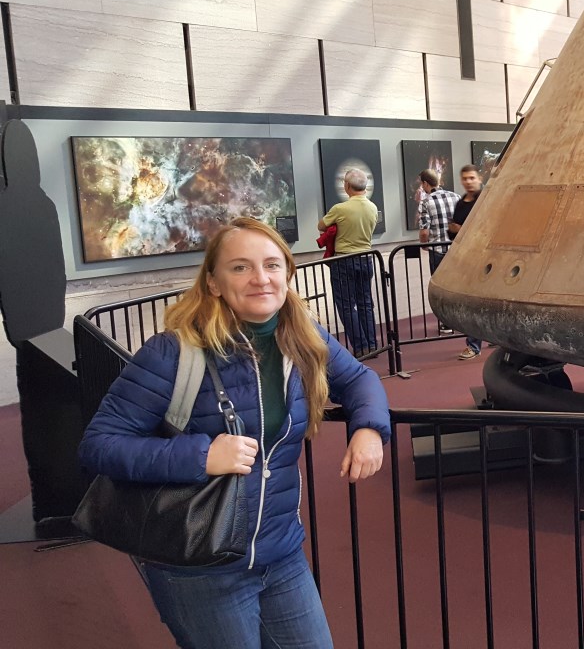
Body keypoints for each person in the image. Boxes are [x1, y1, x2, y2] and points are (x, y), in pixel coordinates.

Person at [79, 217, 392, 649]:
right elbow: (99, 445)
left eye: (272, 265)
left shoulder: (302, 338)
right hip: (198, 566)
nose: (261, 278)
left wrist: (369, 429)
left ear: (287, 273)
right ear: (213, 282)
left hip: (281, 553)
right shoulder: (172, 352)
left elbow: (358, 379)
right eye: (240, 267)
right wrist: (201, 456)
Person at [318, 169, 379, 356]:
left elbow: (321, 225)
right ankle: (372, 345)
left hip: (344, 260)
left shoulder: (340, 209)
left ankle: (360, 347)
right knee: (365, 303)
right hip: (366, 259)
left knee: (346, 305)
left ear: (347, 186)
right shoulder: (373, 207)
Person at [450, 165, 484, 360]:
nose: (468, 182)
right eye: (465, 178)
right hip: (468, 259)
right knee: (471, 303)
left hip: (485, 257)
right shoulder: (461, 203)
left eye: (472, 178)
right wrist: (454, 230)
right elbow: (454, 231)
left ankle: (476, 344)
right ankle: (474, 344)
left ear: (479, 178)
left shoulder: (486, 199)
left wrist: (461, 229)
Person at [417, 169, 460, 274]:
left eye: (422, 184)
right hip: (456, 249)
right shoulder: (456, 196)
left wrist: (424, 245)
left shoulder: (425, 202)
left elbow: (424, 232)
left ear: (425, 183)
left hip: (437, 252)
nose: (422, 187)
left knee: (438, 282)